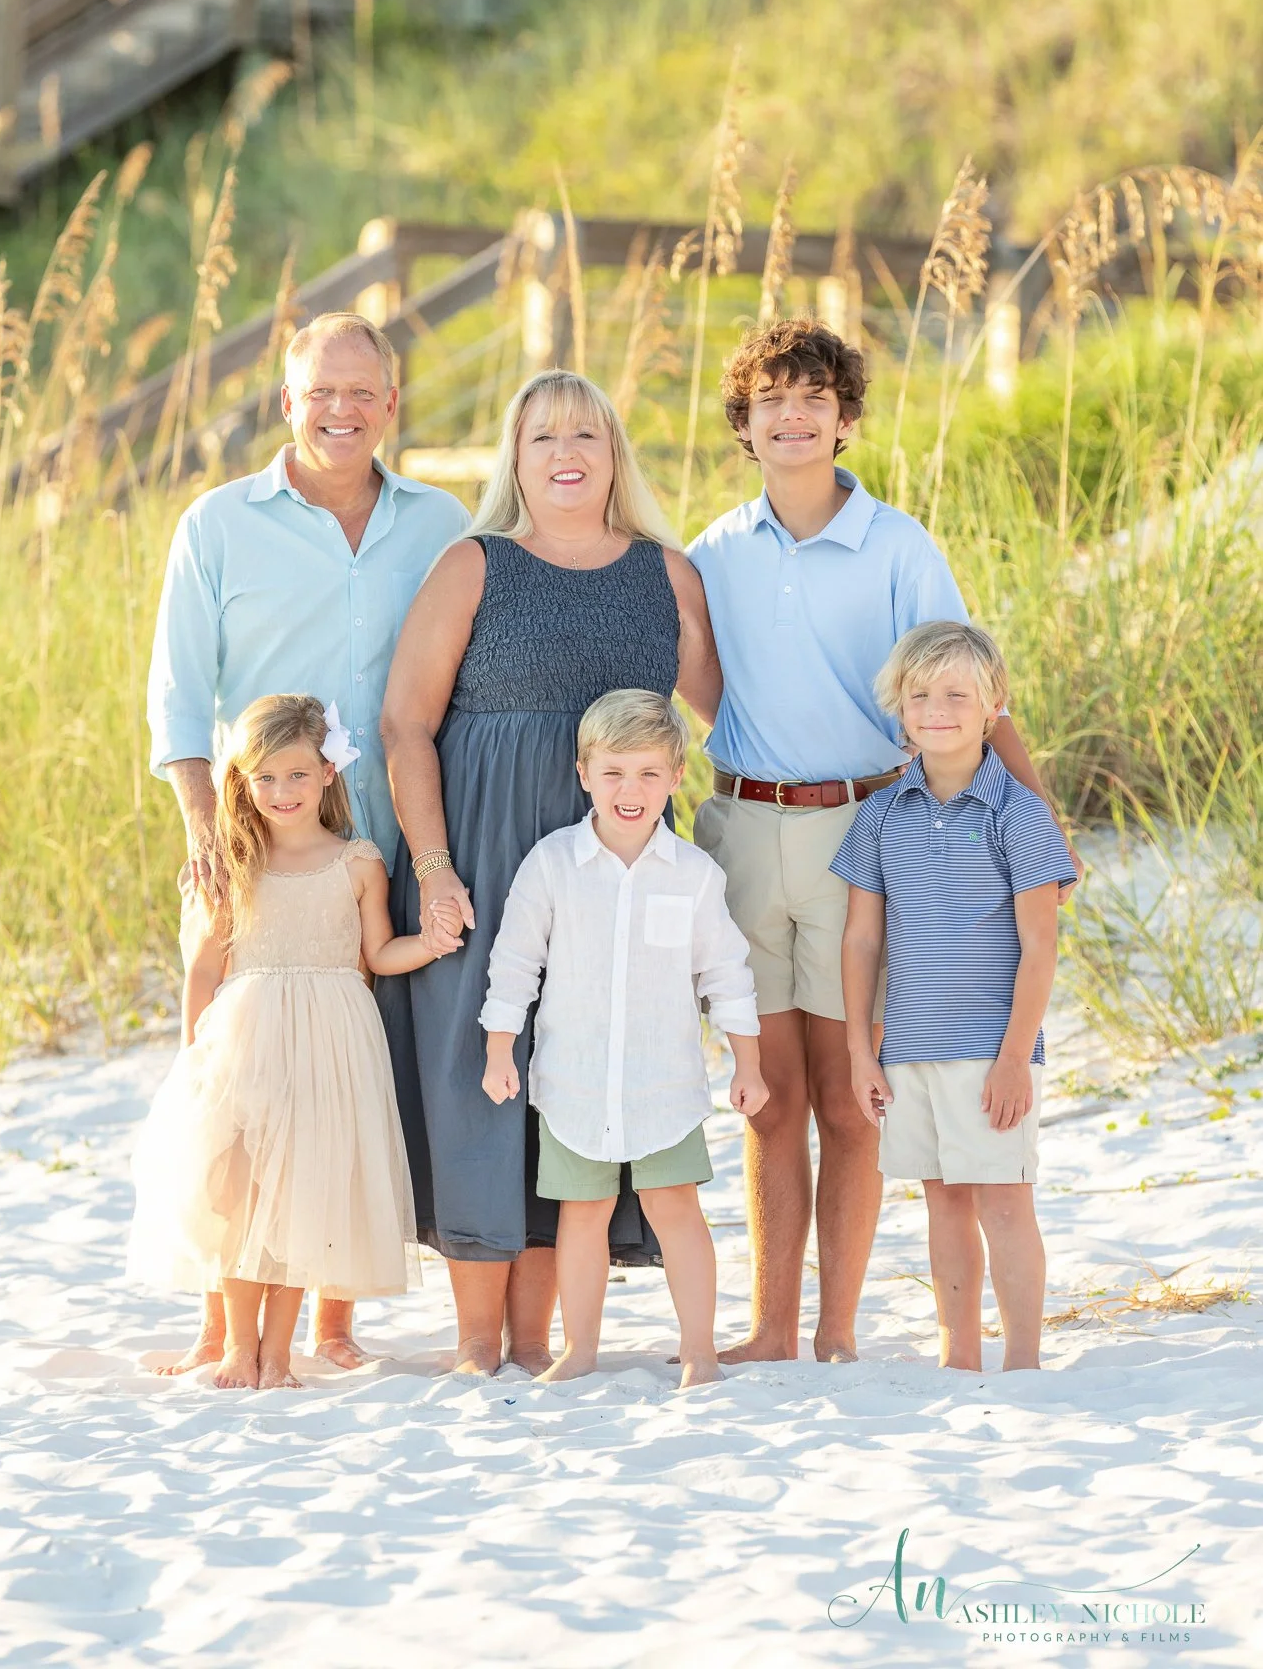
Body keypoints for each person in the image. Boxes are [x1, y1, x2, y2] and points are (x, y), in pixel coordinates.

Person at [688, 318, 1077, 1365]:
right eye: (770, 398)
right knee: (769, 1099)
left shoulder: (897, 543)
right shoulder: (710, 551)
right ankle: (772, 1326)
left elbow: (968, 686)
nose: (793, 414)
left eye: (813, 395)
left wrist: (1035, 821)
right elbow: (695, 682)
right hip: (740, 825)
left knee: (845, 1095)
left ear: (845, 418)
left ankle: (836, 1326)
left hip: (862, 832)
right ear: (745, 422)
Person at [145, 310, 469, 1374]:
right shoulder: (220, 523)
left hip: (380, 842)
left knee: (339, 1080)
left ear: (389, 402)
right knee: (232, 1094)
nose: (339, 409)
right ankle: (215, 1321)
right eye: (317, 391)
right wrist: (208, 837)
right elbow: (181, 701)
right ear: (287, 402)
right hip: (254, 842)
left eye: (359, 391)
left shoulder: (441, 522)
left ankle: (330, 1322)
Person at [379, 370, 722, 1377]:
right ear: (514, 456)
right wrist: (435, 867)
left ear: (614, 451)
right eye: (541, 437)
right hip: (480, 848)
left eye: (585, 433)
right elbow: (405, 723)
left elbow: (722, 714)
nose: (564, 451)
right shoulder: (472, 564)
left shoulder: (667, 574)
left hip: (613, 861)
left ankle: (539, 1339)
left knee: (578, 1067)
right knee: (478, 1073)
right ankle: (479, 1341)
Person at [127, 694, 454, 1389]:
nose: (282, 792)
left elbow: (377, 954)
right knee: (240, 1197)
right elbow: (205, 972)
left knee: (305, 1198)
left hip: (332, 1043)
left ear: (328, 774)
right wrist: (194, 1057)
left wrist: (425, 945)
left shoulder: (358, 861)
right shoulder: (234, 866)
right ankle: (239, 1346)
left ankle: (277, 1353)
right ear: (242, 782)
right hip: (246, 1043)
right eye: (266, 778)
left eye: (298, 775)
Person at [479, 690, 768, 1388]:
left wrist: (746, 1063)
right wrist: (499, 1048)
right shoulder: (551, 864)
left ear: (675, 777)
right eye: (612, 773)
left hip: (663, 1082)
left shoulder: (694, 876)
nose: (629, 791)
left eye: (647, 773)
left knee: (677, 1210)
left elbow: (726, 973)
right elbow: (515, 961)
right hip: (572, 1082)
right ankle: (579, 1350)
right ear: (584, 774)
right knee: (583, 1215)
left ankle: (699, 1350)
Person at [833, 623, 1075, 1371]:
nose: (937, 709)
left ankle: (1024, 1362)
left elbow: (1042, 945)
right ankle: (959, 1358)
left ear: (993, 705)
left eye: (957, 695)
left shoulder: (1018, 814)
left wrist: (1012, 1060)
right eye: (920, 695)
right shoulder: (879, 816)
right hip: (908, 1047)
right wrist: (859, 1050)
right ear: (899, 709)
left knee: (1004, 1201)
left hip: (991, 1050)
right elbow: (862, 941)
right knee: (942, 1202)